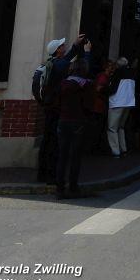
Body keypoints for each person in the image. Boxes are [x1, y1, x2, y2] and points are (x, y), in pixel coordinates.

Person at [35, 36, 90, 184]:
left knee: (46, 140)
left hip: (47, 107)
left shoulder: (48, 65)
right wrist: (84, 52)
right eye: (62, 46)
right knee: (55, 143)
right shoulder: (61, 66)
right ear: (58, 50)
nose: (63, 47)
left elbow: (65, 60)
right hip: (56, 108)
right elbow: (76, 66)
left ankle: (42, 173)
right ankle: (52, 176)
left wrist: (74, 46)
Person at [56, 57, 97, 199]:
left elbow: (57, 102)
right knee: (75, 156)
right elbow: (89, 105)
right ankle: (73, 186)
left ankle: (59, 188)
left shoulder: (63, 84)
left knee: (62, 155)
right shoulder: (85, 85)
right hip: (78, 122)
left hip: (63, 120)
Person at [106, 57, 136, 157]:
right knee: (121, 127)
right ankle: (124, 149)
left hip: (117, 103)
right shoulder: (132, 73)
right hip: (128, 103)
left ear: (118, 65)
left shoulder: (118, 73)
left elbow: (112, 89)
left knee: (112, 128)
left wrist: (103, 90)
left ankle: (116, 151)